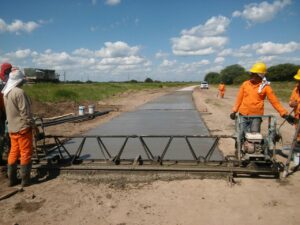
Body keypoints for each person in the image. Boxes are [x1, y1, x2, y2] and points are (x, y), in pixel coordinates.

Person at [230, 62, 295, 134]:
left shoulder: (266, 87)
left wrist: (284, 114)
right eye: (251, 73)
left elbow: (274, 101)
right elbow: (239, 99)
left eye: (254, 74)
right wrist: (234, 111)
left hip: (256, 116)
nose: (251, 75)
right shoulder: (245, 84)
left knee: (254, 137)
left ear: (260, 76)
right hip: (243, 114)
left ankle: (252, 145)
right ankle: (239, 144)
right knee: (241, 134)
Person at [2, 68, 34, 187]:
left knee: (13, 152)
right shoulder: (19, 92)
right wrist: (32, 125)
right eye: (22, 80)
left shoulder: (6, 93)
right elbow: (25, 113)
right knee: (25, 152)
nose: (23, 82)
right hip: (22, 128)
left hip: (12, 128)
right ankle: (25, 180)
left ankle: (12, 179)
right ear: (19, 81)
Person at [0, 63, 12, 165]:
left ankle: (8, 152)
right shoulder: (2, 81)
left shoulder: (6, 81)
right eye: (8, 71)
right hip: (2, 111)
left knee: (6, 133)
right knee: (2, 134)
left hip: (5, 110)